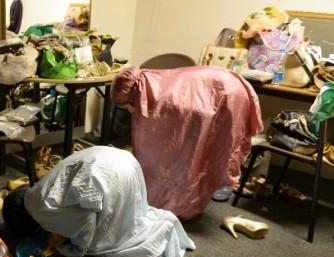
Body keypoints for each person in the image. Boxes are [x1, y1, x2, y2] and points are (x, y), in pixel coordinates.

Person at [110, 66, 262, 220]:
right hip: (224, 89)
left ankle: (183, 203)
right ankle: (188, 199)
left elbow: (169, 139)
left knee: (193, 154)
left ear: (132, 95)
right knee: (196, 153)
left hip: (225, 96)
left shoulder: (163, 99)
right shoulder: (155, 81)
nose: (129, 110)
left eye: (127, 106)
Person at [2, 146, 195, 257]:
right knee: (124, 213)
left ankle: (157, 229)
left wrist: (74, 249)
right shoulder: (36, 191)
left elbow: (85, 221)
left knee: (101, 237)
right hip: (123, 160)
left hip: (112, 176)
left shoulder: (42, 212)